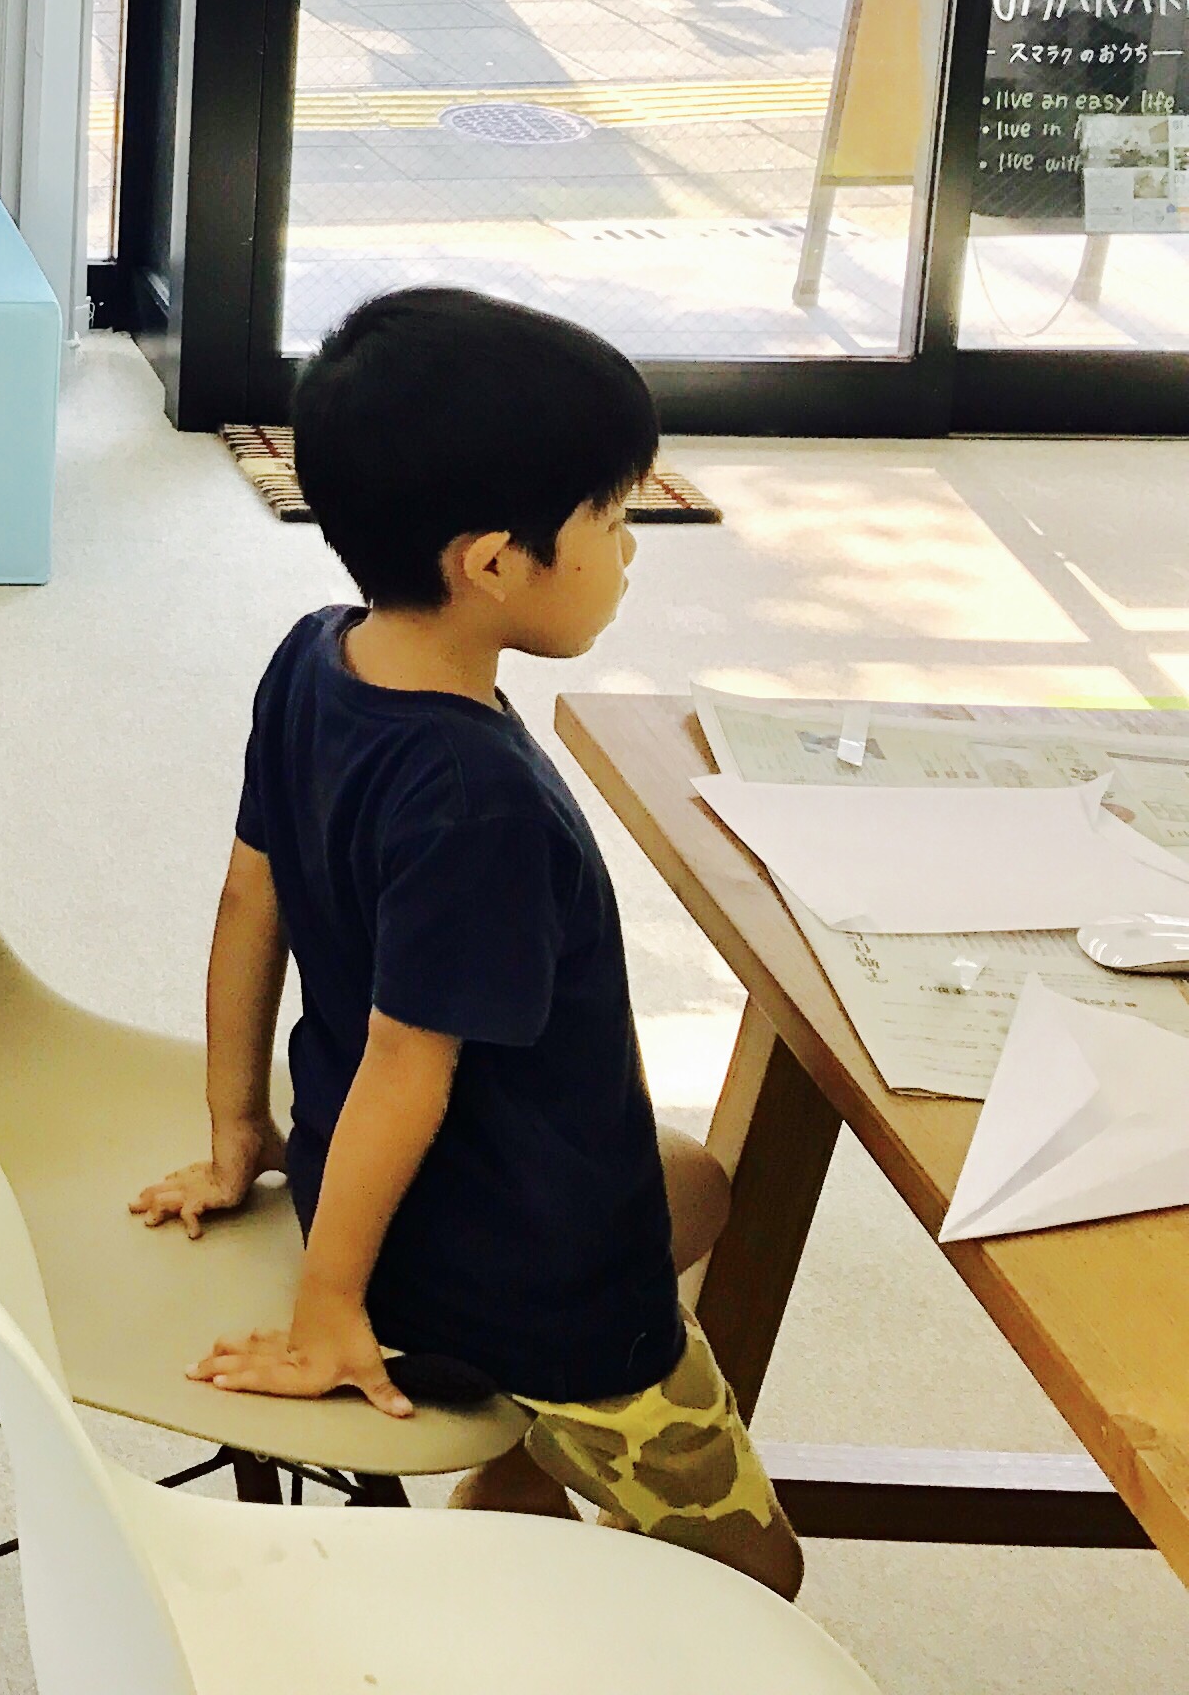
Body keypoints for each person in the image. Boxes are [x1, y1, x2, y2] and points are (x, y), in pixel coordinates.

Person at [129, 286, 801, 1598]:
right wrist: (328, 1311)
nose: (631, 551)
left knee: (700, 1188)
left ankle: (520, 1486)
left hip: (392, 1181)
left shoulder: (315, 660)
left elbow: (248, 903)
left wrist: (237, 1132)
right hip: (526, 1277)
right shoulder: (472, 802)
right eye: (611, 521)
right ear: (493, 564)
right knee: (757, 1571)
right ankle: (552, 1457)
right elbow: (406, 1070)